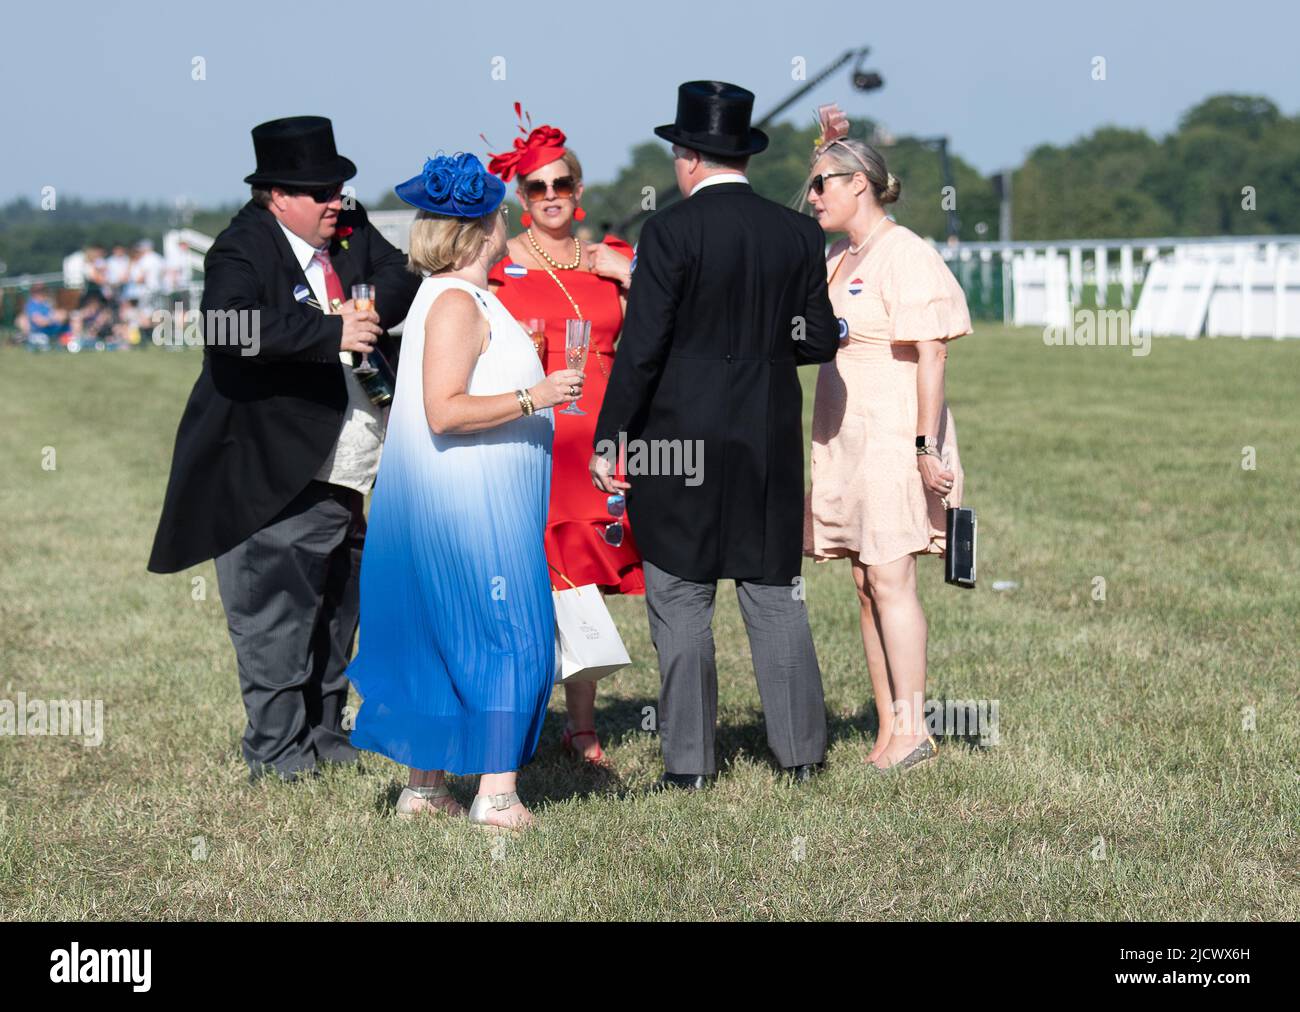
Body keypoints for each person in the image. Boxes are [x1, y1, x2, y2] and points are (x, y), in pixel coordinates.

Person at [147, 116, 421, 782]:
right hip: (270, 466)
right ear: (278, 196)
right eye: (322, 191)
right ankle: (276, 754)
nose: (338, 201)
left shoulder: (348, 224)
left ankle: (325, 734)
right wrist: (331, 328)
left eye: (339, 188)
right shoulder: (241, 247)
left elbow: (402, 276)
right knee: (276, 614)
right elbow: (227, 326)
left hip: (354, 462)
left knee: (337, 608)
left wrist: (363, 312)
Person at [590, 81, 841, 791]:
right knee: (773, 596)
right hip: (765, 436)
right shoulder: (797, 232)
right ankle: (801, 755)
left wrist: (612, 438)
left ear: (689, 156)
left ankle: (692, 765)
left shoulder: (668, 231)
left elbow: (641, 350)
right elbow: (818, 339)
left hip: (678, 440)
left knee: (681, 598)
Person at [346, 153, 584, 830]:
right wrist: (534, 394)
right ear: (482, 229)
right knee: (512, 639)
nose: (507, 220)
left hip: (469, 501)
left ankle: (425, 792)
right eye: (502, 211)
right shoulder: (454, 300)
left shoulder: (460, 297)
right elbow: (445, 410)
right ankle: (498, 797)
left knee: (446, 638)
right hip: (470, 510)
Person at [802, 109, 973, 772]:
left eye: (822, 184)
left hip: (894, 434)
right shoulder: (839, 254)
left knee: (893, 577)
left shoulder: (907, 254)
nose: (812, 197)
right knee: (865, 581)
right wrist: (826, 145)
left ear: (859, 185)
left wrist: (927, 448)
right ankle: (887, 729)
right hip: (846, 437)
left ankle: (915, 729)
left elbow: (932, 354)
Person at [486, 110, 642, 766]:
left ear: (578, 191)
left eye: (561, 185)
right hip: (528, 438)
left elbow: (651, 347)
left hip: (600, 444)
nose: (550, 197)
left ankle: (580, 724)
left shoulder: (613, 260)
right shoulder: (497, 266)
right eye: (536, 188)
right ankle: (515, 717)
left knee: (581, 581)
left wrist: (631, 275)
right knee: (524, 581)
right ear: (521, 199)